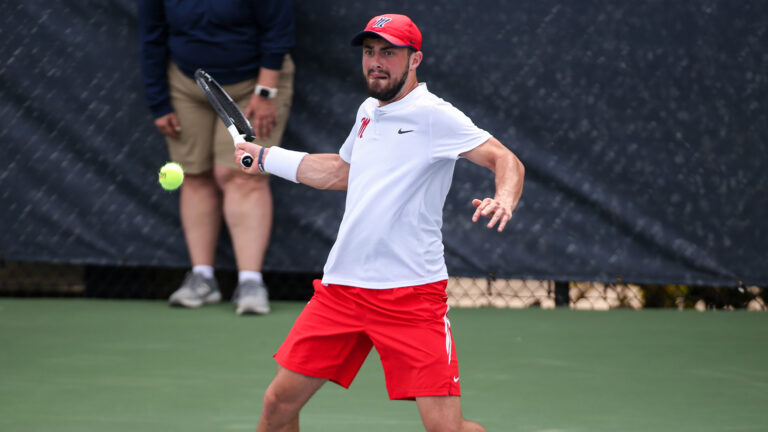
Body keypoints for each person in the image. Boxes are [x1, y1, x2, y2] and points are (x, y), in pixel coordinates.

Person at [236, 13, 525, 431]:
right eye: (370, 52)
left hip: (411, 295)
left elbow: (505, 159)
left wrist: (504, 198)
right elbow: (341, 171)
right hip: (343, 290)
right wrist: (266, 158)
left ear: (415, 59)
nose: (376, 61)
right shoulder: (369, 110)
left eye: (389, 52)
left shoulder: (433, 115)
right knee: (278, 405)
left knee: (447, 427)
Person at [138, 0, 295, 315]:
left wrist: (265, 94)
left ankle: (251, 282)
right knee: (193, 175)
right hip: (186, 83)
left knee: (242, 176)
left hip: (255, 84)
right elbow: (151, 35)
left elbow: (278, 30)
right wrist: (159, 102)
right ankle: (202, 278)